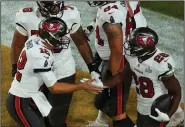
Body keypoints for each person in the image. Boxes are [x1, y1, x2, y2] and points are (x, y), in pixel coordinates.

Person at [10, 1, 100, 127]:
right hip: (37, 73)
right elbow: (17, 44)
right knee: (36, 112)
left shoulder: (70, 14)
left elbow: (81, 42)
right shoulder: (27, 17)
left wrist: (92, 67)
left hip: (63, 69)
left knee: (57, 115)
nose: (58, 8)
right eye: (53, 5)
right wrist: (15, 69)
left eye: (59, 3)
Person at [87, 27, 181, 127]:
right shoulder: (134, 57)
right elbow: (121, 76)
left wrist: (168, 114)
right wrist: (102, 84)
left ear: (146, 48)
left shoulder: (161, 64)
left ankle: (179, 117)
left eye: (133, 46)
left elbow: (176, 92)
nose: (129, 48)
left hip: (156, 108)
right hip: (141, 105)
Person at [84, 1, 147, 127]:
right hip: (127, 48)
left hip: (119, 57)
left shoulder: (111, 13)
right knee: (102, 99)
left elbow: (117, 50)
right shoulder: (115, 7)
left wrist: (114, 76)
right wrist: (92, 25)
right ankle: (100, 122)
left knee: (116, 112)